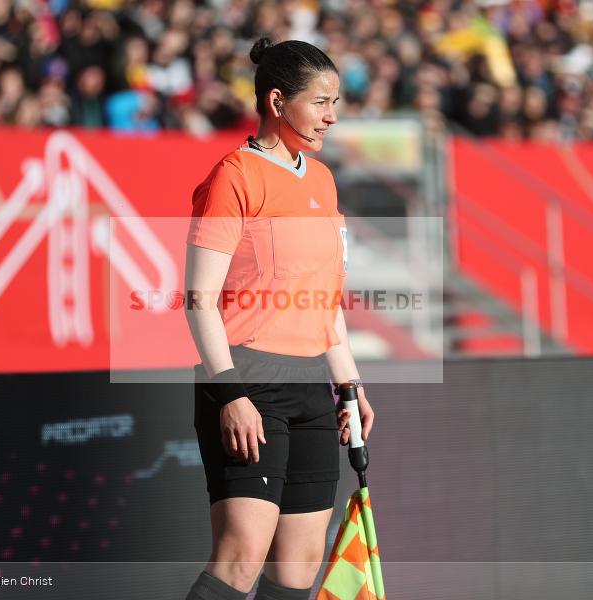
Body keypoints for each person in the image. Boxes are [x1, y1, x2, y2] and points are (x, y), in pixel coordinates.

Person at [183, 37, 375, 600]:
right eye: (320, 102)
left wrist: (349, 384)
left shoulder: (322, 180)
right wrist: (231, 393)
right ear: (276, 100)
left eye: (334, 103)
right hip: (248, 379)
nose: (331, 117)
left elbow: (325, 302)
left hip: (313, 383)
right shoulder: (233, 175)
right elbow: (199, 299)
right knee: (240, 558)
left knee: (297, 569)